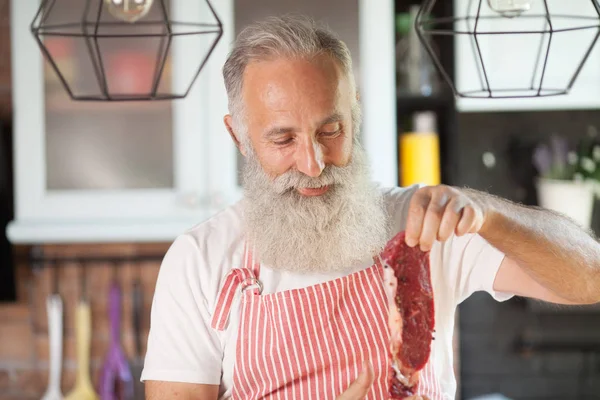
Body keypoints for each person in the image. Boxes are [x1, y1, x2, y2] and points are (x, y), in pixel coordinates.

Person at [141, 15, 600, 400]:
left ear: (354, 113)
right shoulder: (199, 261)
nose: (314, 162)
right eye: (283, 139)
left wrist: (489, 213)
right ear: (238, 136)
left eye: (331, 130)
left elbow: (591, 278)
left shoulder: (423, 225)